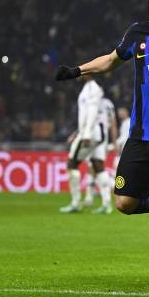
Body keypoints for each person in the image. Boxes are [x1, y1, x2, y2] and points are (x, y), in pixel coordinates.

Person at [55, 0, 149, 287]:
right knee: (124, 203)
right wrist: (77, 71)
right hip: (140, 138)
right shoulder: (137, 33)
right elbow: (110, 60)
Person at [59, 75, 113, 215]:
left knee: (71, 164)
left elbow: (92, 112)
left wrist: (86, 133)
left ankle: (76, 203)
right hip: (98, 134)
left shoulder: (92, 89)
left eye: (82, 71)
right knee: (98, 166)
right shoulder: (89, 89)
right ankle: (106, 205)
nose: (78, 74)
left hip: (91, 133)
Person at [82, 96, 118, 214]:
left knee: (97, 168)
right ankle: (92, 198)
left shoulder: (90, 102)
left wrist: (114, 142)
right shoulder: (108, 103)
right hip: (99, 139)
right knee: (93, 167)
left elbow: (112, 124)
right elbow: (113, 124)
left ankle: (104, 202)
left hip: (96, 139)